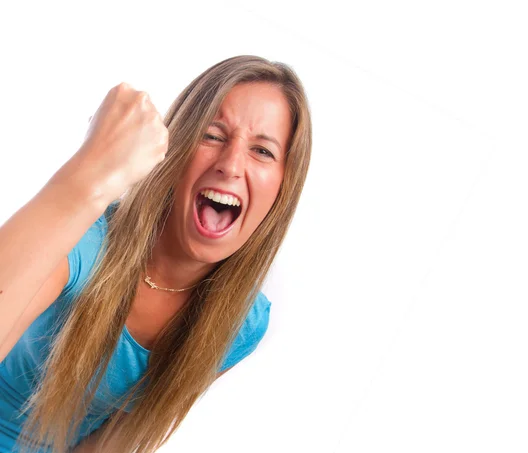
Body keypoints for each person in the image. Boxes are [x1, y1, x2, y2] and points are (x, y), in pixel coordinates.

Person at [0, 55, 312, 452]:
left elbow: (110, 444)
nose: (231, 165)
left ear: (282, 189)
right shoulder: (85, 243)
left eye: (263, 151)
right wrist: (91, 172)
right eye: (213, 135)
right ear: (175, 148)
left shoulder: (240, 324)